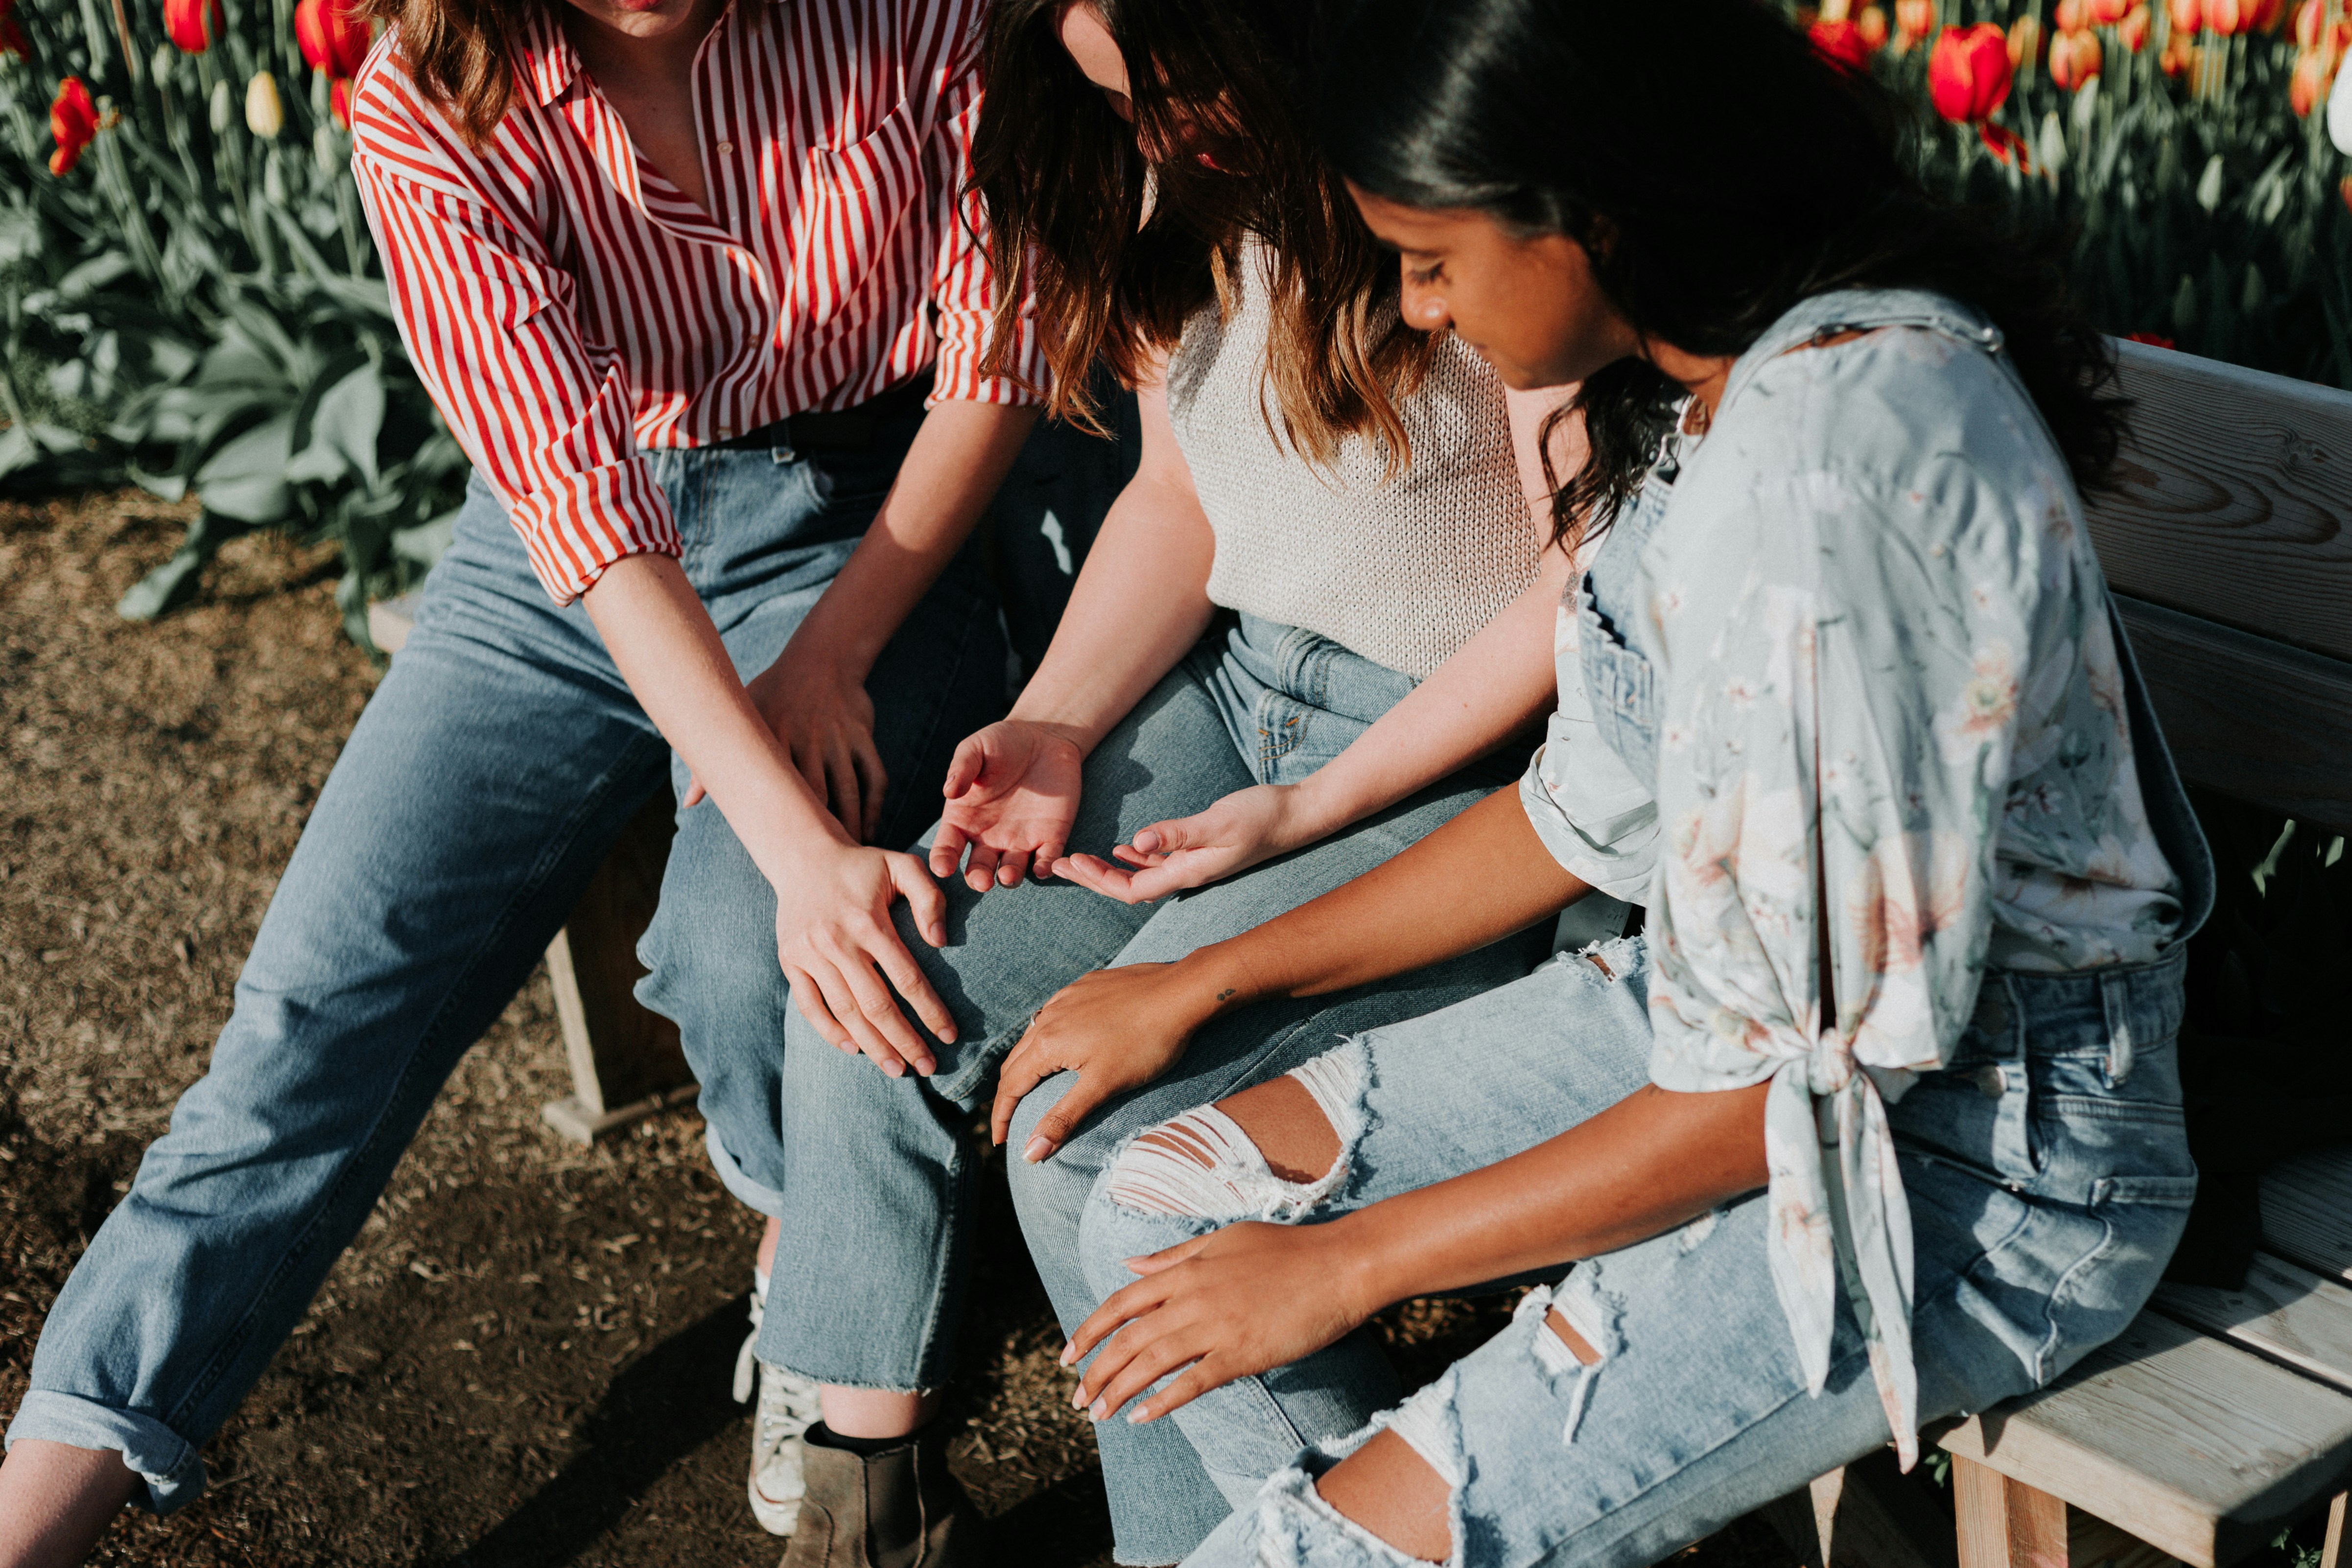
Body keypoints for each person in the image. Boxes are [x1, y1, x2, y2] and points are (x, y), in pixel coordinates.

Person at [1025, 2, 2219, 1564]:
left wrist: (1346, 1266)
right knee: (1155, 1200)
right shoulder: (1697, 385)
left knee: (1296, 1533)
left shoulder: (1827, 489)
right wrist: (1203, 978)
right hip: (1714, 1022)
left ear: (1591, 211)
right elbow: (1570, 813)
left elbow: (1773, 1102)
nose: (1414, 308)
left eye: (1431, 260)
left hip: (1965, 1166)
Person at [0, 0, 1044, 1560]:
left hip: (865, 530)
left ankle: (806, 1257)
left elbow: (1001, 342)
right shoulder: (425, 101)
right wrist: (772, 806)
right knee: (315, 1011)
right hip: (570, 553)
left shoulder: (911, 10)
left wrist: (827, 662)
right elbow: (580, 509)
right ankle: (43, 1501)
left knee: (747, 947)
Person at [645, 0, 1597, 1559]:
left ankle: (1293, 1524)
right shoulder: (1164, 184)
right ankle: (859, 1514)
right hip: (1232, 697)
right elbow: (1178, 496)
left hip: (1452, 758)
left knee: (1090, 1118)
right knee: (876, 990)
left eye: (1174, 91)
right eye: (1114, 99)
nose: (1156, 134)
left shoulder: (1444, 191)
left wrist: (1317, 803)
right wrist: (1058, 724)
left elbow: (1575, 589)